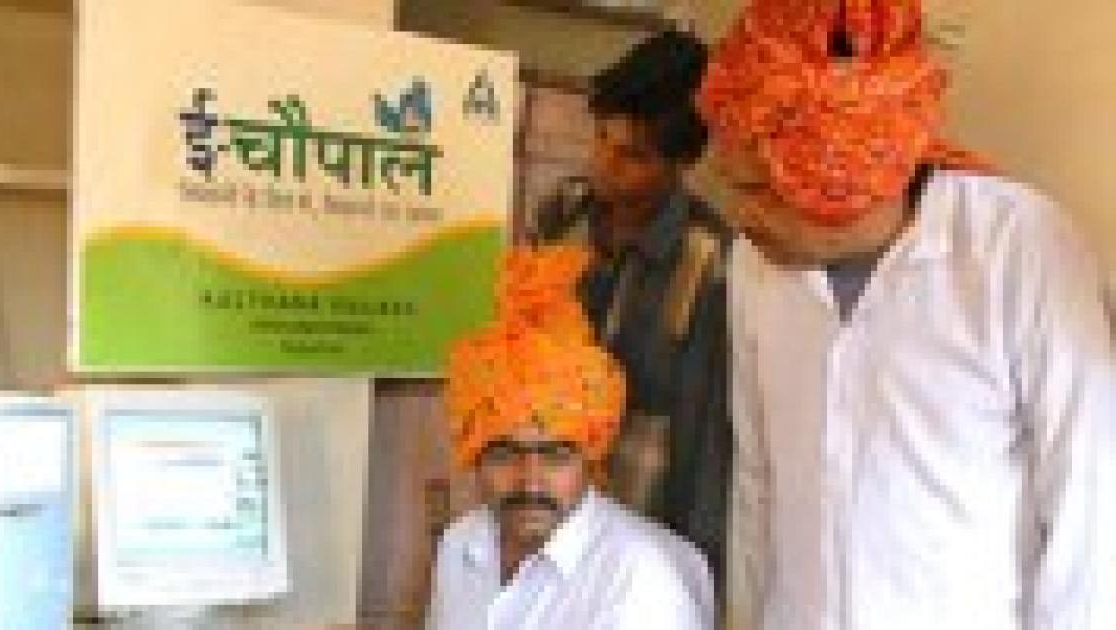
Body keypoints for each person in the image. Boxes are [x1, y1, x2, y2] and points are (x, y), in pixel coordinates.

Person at [695, 1, 1116, 628]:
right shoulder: (756, 265)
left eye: (758, 190)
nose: (740, 214)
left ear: (841, 184)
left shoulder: (1017, 248)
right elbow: (757, 483)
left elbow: (1091, 504)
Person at [530, 28, 733, 584]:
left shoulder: (708, 264)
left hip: (638, 547)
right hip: (545, 520)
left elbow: (703, 450)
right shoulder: (560, 216)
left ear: (681, 163)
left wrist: (692, 580)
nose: (604, 164)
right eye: (600, 138)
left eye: (632, 156)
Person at [427, 246, 715, 630]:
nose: (530, 481)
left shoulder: (643, 584)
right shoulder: (459, 548)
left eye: (556, 455)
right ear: (473, 455)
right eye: (505, 453)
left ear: (590, 460)